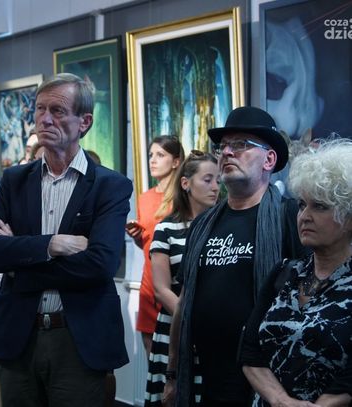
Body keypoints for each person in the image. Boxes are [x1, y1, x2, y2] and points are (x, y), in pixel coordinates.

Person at [0, 72, 132, 406]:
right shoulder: (15, 180)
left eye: (57, 111)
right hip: (18, 336)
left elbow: (100, 265)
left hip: (78, 339)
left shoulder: (110, 186)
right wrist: (51, 245)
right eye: (40, 109)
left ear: (84, 122)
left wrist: (18, 263)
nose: (44, 119)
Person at [166, 106, 308, 407]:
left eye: (241, 144)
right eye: (223, 146)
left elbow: (311, 299)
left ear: (269, 160)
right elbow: (185, 300)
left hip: (271, 380)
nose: (227, 152)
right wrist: (173, 373)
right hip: (208, 377)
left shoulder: (290, 217)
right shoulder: (203, 224)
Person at [240, 139, 352, 406]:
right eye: (302, 205)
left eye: (320, 206)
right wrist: (280, 400)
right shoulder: (284, 273)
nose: (304, 216)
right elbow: (249, 350)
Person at [145, 150, 220, 406]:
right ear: (186, 183)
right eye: (207, 179)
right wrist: (189, 319)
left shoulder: (222, 227)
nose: (215, 187)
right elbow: (161, 288)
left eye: (218, 180)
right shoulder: (167, 228)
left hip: (213, 328)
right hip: (174, 325)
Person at [126, 135, 185, 356]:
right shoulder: (145, 198)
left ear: (176, 161)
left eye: (160, 155)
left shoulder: (182, 198)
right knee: (150, 350)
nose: (152, 160)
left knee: (175, 352)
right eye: (151, 155)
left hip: (174, 282)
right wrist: (136, 236)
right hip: (149, 281)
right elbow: (148, 243)